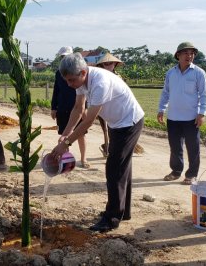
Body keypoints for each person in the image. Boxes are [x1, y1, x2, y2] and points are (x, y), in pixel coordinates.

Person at [51, 53, 144, 232]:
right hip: (116, 123)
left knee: (114, 169)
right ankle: (123, 211)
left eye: (71, 80)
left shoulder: (100, 82)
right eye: (67, 81)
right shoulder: (80, 80)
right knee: (122, 167)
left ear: (83, 73)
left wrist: (67, 143)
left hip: (129, 122)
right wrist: (66, 132)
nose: (70, 84)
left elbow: (88, 120)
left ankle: (111, 218)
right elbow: (78, 108)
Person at [157, 42, 206, 185]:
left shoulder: (199, 73)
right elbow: (166, 93)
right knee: (175, 147)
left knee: (193, 148)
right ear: (178, 55)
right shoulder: (171, 73)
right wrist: (161, 109)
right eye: (186, 53)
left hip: (191, 118)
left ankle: (192, 174)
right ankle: (176, 171)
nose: (189, 56)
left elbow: (204, 95)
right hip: (173, 117)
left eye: (192, 53)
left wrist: (202, 113)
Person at [51, 46, 90, 168]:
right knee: (64, 135)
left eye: (66, 56)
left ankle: (83, 159)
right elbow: (56, 90)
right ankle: (66, 161)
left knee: (80, 134)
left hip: (77, 106)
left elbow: (83, 96)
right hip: (63, 107)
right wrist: (54, 107)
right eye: (63, 57)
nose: (64, 59)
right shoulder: (59, 73)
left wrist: (85, 109)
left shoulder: (81, 74)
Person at [95, 52, 124, 157]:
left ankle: (112, 148)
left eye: (110, 63)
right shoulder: (99, 76)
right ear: (102, 65)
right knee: (105, 129)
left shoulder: (118, 77)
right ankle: (107, 148)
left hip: (116, 107)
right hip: (102, 107)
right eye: (105, 64)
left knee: (115, 129)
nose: (108, 65)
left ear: (114, 64)